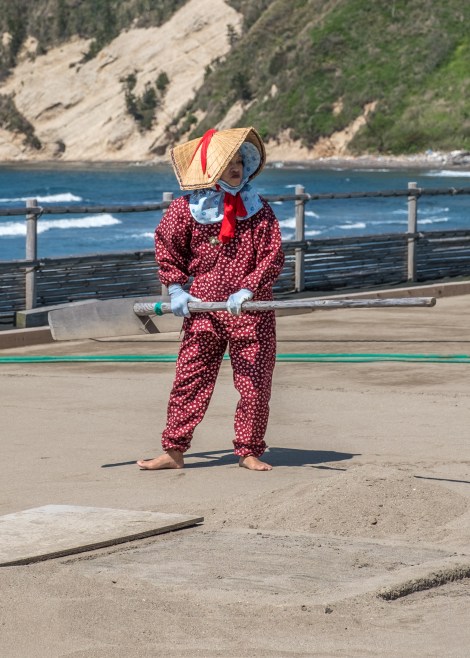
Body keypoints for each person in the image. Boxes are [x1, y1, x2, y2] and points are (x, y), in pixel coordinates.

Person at [137, 127, 285, 472]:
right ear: (208, 169)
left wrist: (249, 288)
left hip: (250, 310)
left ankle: (249, 451)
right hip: (203, 309)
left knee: (254, 383)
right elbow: (167, 246)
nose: (234, 169)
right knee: (189, 378)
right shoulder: (186, 209)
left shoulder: (259, 210)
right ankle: (174, 451)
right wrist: (175, 287)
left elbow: (272, 255)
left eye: (238, 161)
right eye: (226, 163)